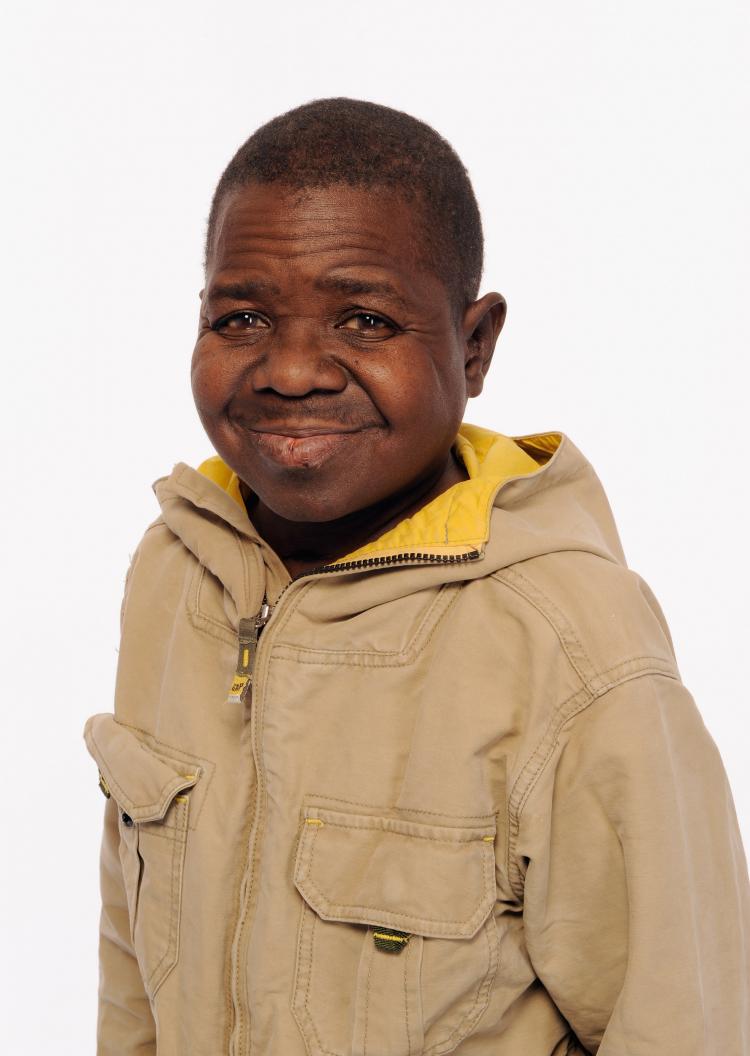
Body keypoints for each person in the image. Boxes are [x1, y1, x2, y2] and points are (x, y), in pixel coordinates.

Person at [83, 97, 750, 1056]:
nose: (293, 369)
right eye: (243, 316)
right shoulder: (175, 576)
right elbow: (132, 967)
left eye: (364, 319)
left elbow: (680, 1024)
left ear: (473, 346)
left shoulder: (573, 642)